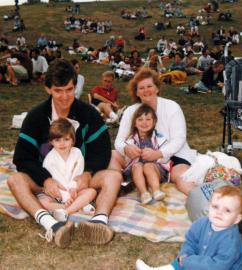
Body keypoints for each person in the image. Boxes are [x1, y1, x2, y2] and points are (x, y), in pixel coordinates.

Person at [7, 59, 122, 248]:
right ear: (47, 89)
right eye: (58, 90)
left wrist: (87, 173)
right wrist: (46, 180)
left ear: (75, 87)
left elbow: (101, 151)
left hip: (79, 180)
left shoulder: (89, 113)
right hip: (47, 182)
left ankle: (99, 222)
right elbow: (22, 157)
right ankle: (52, 223)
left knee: (114, 176)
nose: (64, 96)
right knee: (15, 180)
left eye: (69, 90)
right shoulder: (35, 117)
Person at [109, 67, 197, 195]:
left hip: (172, 156)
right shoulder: (130, 111)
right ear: (137, 92)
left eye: (149, 86)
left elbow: (179, 139)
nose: (146, 90)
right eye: (141, 88)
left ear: (157, 88)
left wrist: (158, 153)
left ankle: (206, 205)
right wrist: (126, 149)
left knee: (182, 178)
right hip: (138, 158)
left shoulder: (172, 107)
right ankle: (121, 183)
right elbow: (119, 141)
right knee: (111, 155)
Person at [136, 185, 242, 270]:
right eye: (215, 207)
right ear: (209, 206)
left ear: (236, 219)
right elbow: (190, 241)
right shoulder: (201, 223)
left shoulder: (231, 241)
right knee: (179, 263)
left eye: (227, 210)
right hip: (199, 261)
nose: (219, 212)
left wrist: (190, 261)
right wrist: (186, 254)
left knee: (185, 263)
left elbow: (218, 266)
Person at [38, 118, 97, 221]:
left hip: (74, 190)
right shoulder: (49, 160)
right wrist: (66, 198)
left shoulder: (77, 153)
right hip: (57, 193)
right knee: (42, 202)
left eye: (66, 139)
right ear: (51, 141)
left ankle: (66, 211)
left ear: (72, 140)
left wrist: (74, 189)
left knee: (91, 191)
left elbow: (78, 173)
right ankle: (77, 206)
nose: (62, 143)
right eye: (57, 140)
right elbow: (57, 181)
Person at [123, 104, 170, 204]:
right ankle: (144, 193)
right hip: (137, 172)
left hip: (155, 169)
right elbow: (126, 159)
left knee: (148, 166)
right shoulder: (131, 140)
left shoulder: (159, 138)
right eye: (140, 119)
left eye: (148, 119)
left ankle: (156, 190)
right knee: (136, 166)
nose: (144, 122)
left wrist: (155, 155)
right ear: (135, 123)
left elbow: (165, 155)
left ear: (154, 122)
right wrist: (134, 154)